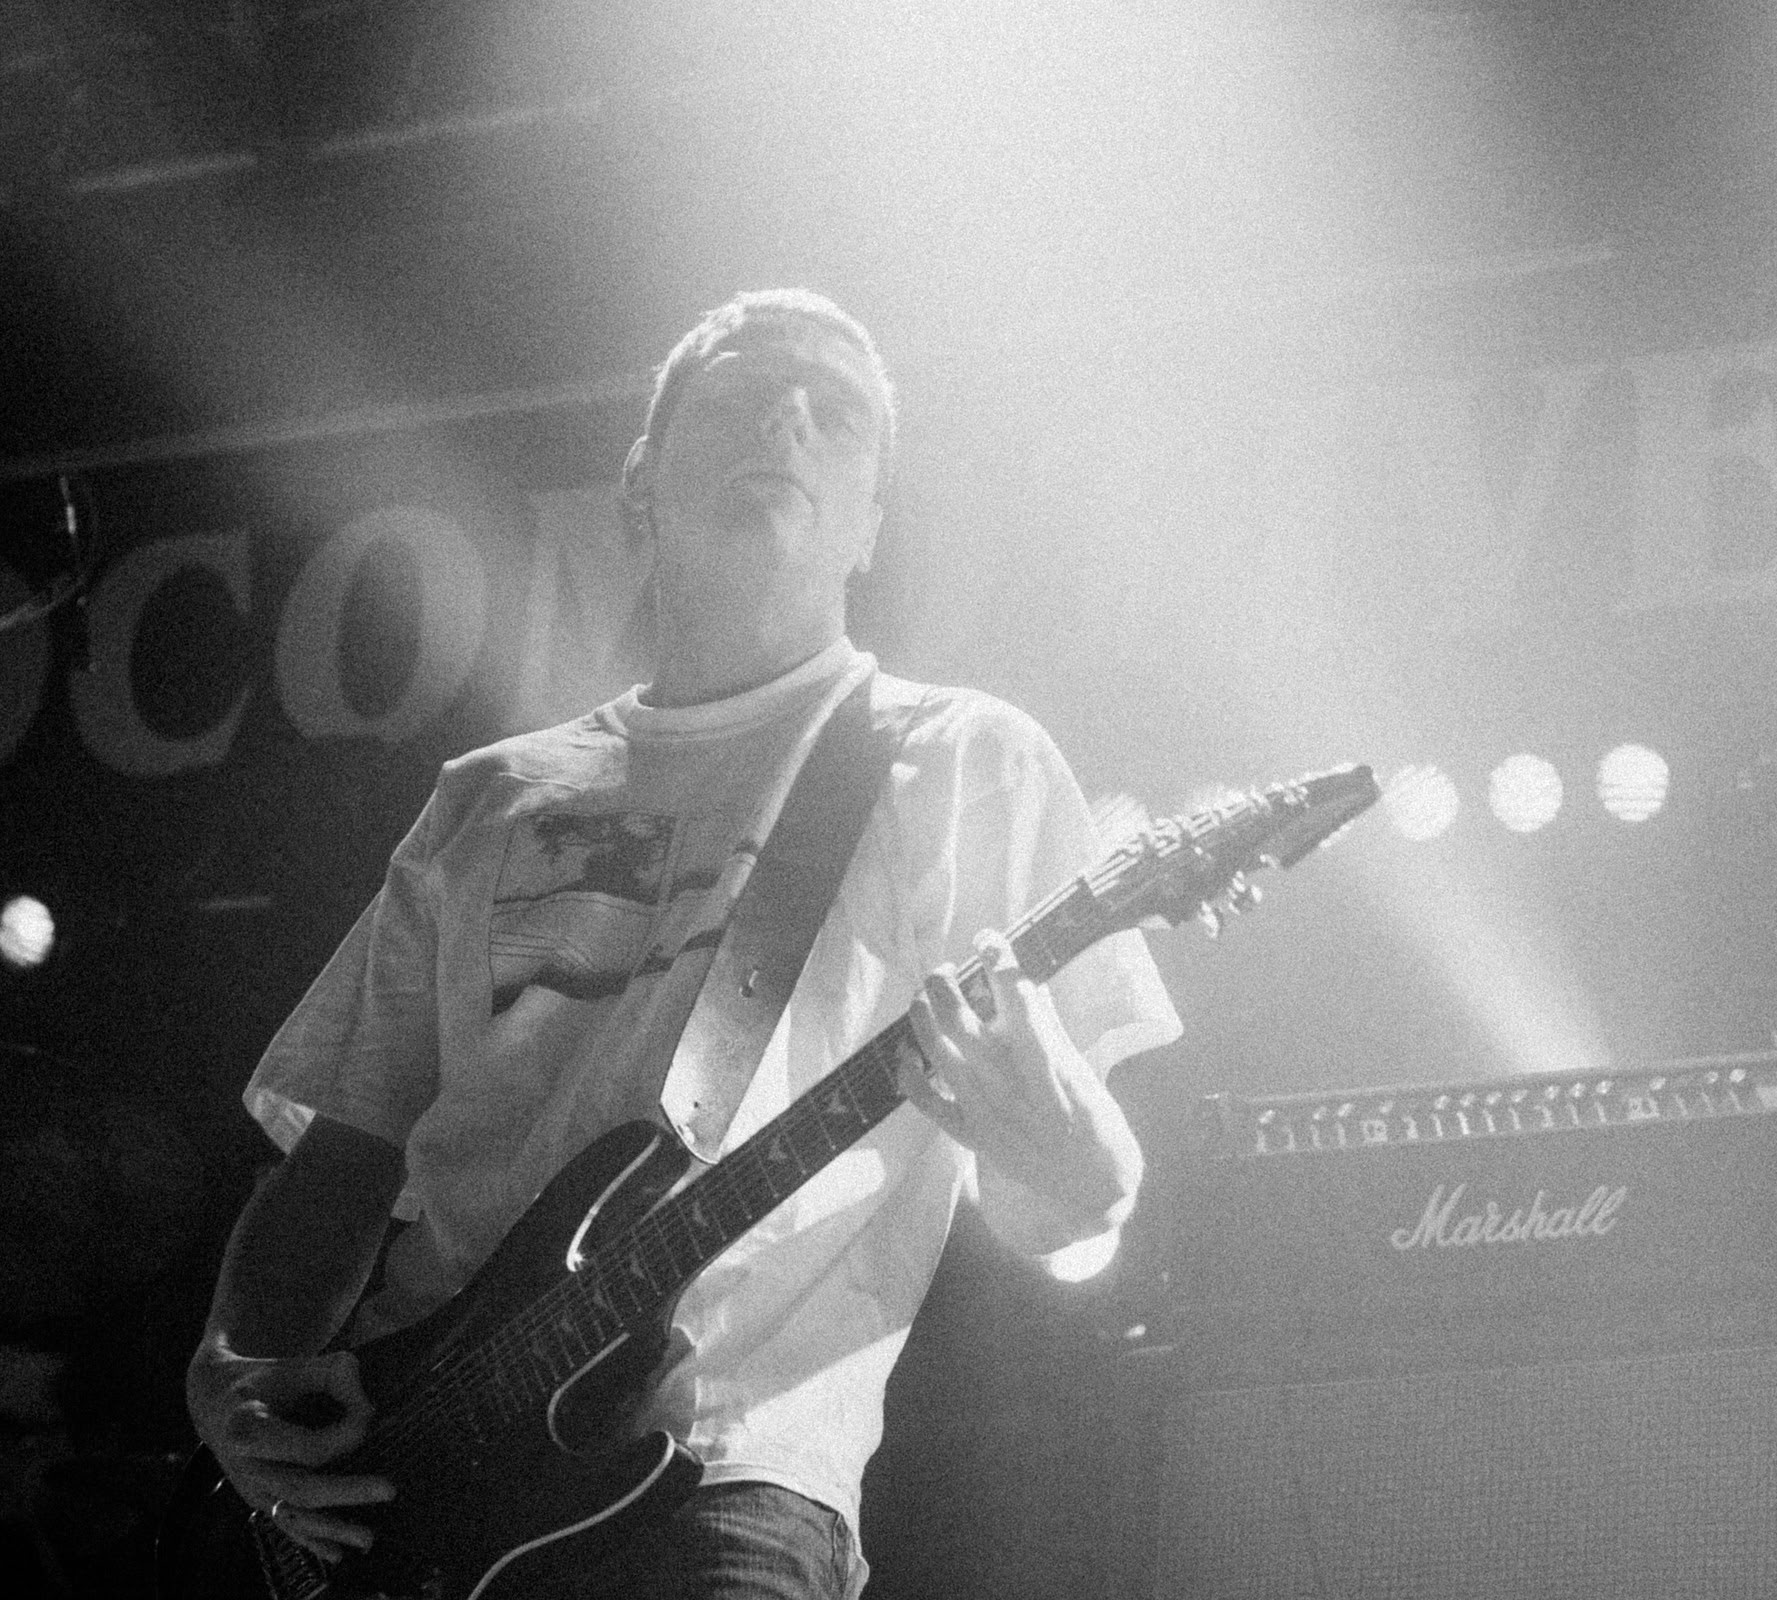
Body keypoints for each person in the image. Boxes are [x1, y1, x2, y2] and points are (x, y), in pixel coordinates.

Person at [182, 288, 1182, 1599]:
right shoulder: (492, 796)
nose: (788, 418)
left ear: (871, 521)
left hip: (726, 1480)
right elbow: (342, 1161)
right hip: (405, 1475)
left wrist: (1069, 1154)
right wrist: (230, 1372)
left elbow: (1076, 1227)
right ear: (641, 488)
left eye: (835, 416)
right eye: (742, 397)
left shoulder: (964, 762)